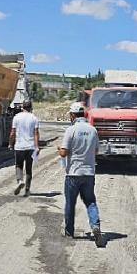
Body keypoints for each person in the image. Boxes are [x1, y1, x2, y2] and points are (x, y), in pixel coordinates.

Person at [57, 102, 104, 247]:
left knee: (70, 203)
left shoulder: (70, 130)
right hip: (89, 173)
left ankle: (69, 232)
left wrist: (59, 149)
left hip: (73, 173)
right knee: (90, 201)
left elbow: (64, 153)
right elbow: (96, 151)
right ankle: (95, 226)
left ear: (72, 115)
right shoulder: (93, 130)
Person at [9, 100, 40, 197]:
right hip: (30, 147)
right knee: (28, 168)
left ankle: (20, 181)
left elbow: (13, 133)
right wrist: (37, 146)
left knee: (18, 165)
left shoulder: (16, 117)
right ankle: (27, 190)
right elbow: (36, 133)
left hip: (19, 146)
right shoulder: (34, 118)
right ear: (31, 108)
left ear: (22, 107)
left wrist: (10, 143)